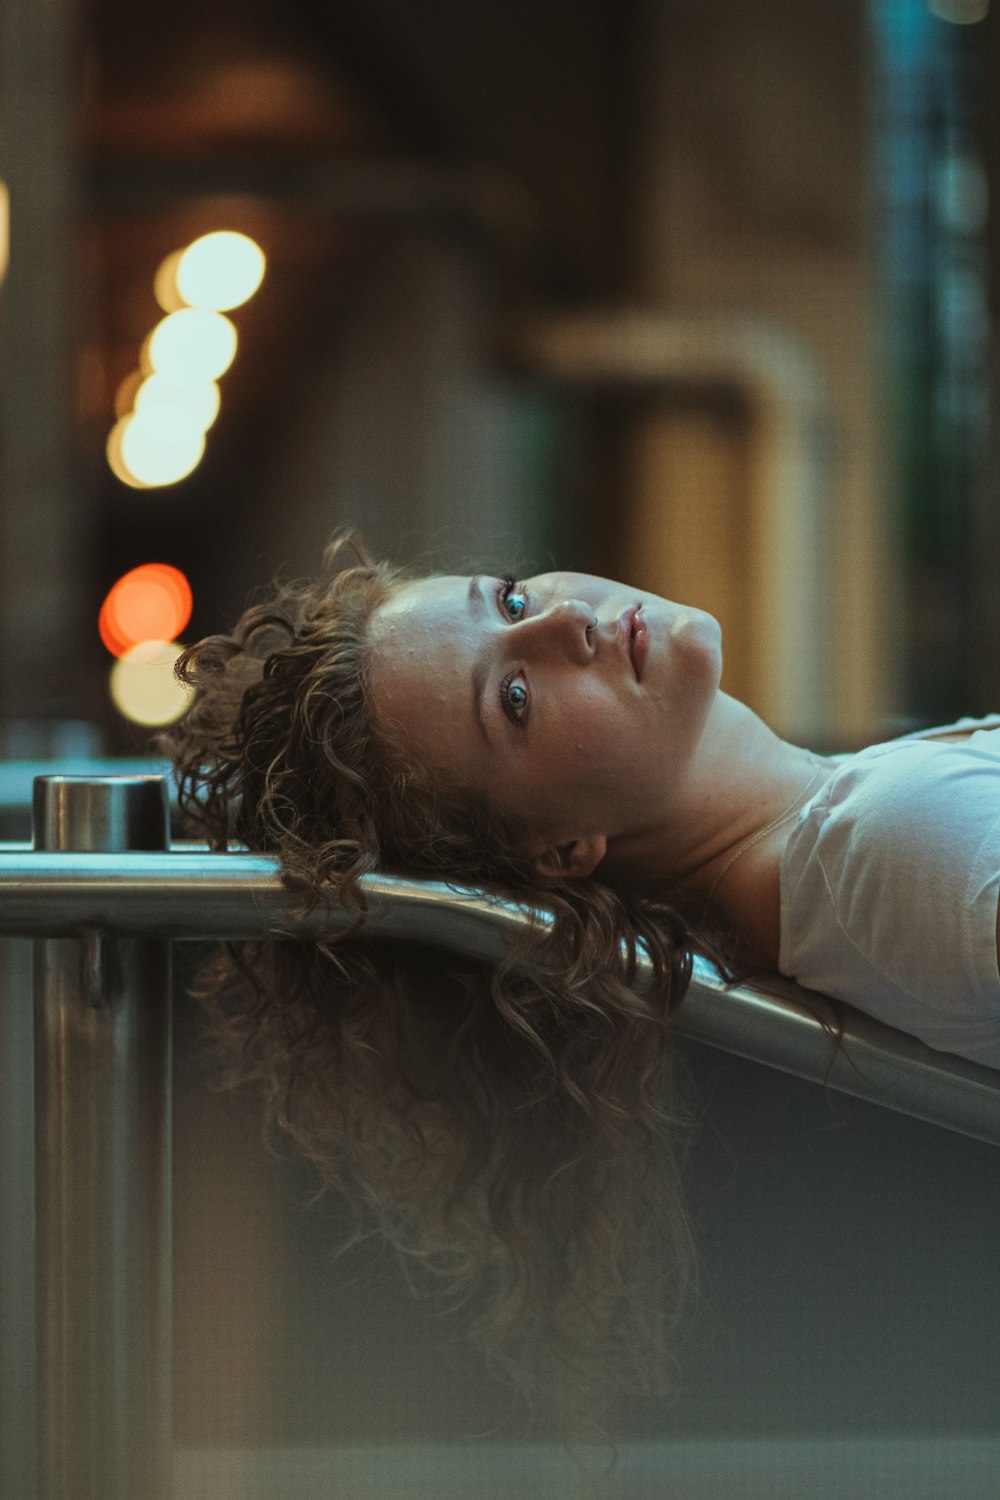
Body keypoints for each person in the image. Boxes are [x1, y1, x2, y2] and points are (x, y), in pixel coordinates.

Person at [162, 528, 1000, 1447]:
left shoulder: (854, 838)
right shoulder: (886, 853)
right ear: (560, 852)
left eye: (511, 600)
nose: (569, 622)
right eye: (515, 700)